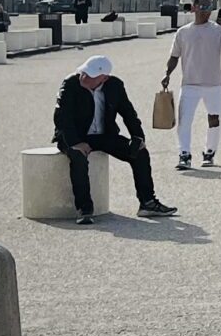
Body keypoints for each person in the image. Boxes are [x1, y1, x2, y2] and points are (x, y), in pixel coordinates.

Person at [55, 55, 174, 223]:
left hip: (104, 135)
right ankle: (85, 210)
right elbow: (62, 117)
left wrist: (138, 137)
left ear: (104, 78)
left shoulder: (115, 85)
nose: (84, 77)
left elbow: (128, 113)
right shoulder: (70, 84)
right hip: (74, 136)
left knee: (140, 153)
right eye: (84, 72)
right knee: (78, 158)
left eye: (89, 76)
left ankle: (147, 203)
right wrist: (75, 143)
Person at [163, 1, 221, 170]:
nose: (206, 11)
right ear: (194, 8)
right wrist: (167, 74)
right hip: (190, 84)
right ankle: (184, 154)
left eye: (209, 8)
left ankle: (209, 152)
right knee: (184, 121)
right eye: (202, 7)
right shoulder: (183, 32)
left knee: (214, 119)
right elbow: (174, 56)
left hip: (213, 84)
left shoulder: (217, 30)